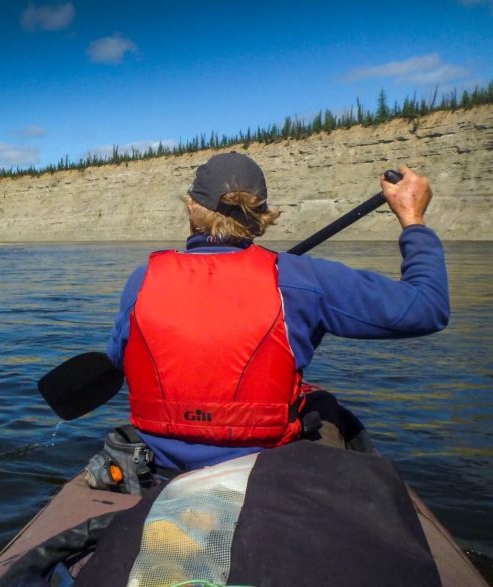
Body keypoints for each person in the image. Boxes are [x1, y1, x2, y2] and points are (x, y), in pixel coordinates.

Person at [105, 152, 449, 472]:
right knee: (324, 405)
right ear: (261, 218)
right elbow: (426, 307)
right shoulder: (300, 279)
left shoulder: (143, 280)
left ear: (192, 209)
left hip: (162, 463)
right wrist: (413, 221)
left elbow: (120, 360)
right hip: (264, 467)